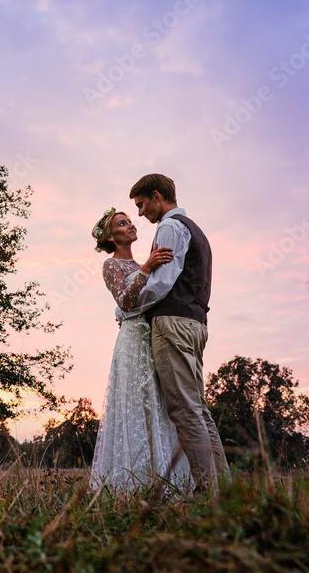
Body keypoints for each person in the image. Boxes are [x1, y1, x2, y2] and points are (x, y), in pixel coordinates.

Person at [122, 173, 229, 488]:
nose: (140, 214)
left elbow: (161, 284)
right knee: (197, 409)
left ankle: (210, 492)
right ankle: (223, 488)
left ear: (157, 196)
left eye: (142, 205)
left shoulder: (169, 227)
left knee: (184, 411)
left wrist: (126, 309)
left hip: (173, 323)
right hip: (195, 324)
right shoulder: (196, 230)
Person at [90, 207, 192, 491]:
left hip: (154, 336)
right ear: (111, 237)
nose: (131, 225)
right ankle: (132, 485)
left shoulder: (142, 262)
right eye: (122, 224)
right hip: (133, 342)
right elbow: (124, 301)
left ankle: (164, 480)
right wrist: (147, 267)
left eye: (131, 221)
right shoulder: (111, 265)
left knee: (158, 404)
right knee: (135, 403)